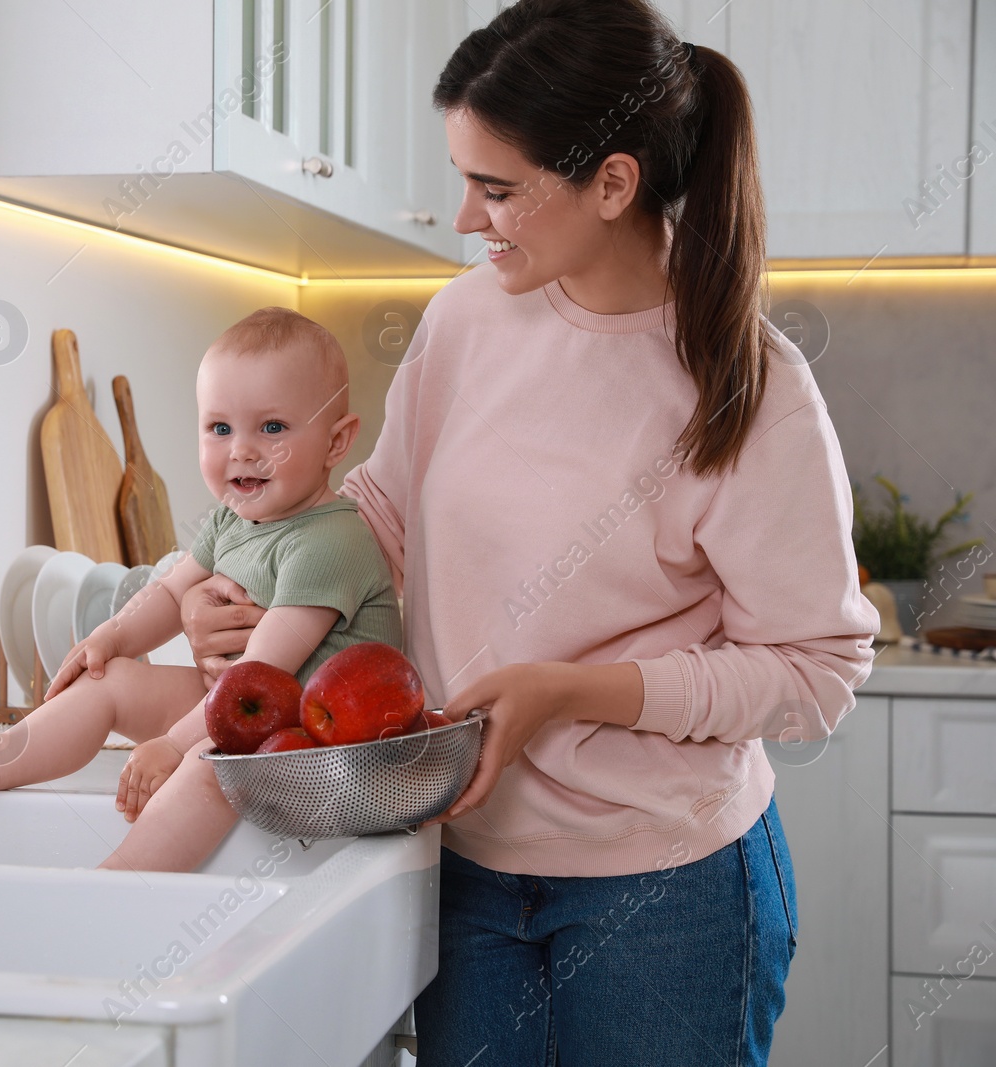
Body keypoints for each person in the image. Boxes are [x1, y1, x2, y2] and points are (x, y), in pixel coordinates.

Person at [178, 2, 879, 1062]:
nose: (465, 216)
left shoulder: (751, 386)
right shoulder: (467, 319)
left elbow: (815, 669)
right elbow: (379, 510)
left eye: (496, 188)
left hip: (670, 895)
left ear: (611, 183)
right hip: (460, 862)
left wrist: (568, 687)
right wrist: (237, 577)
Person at [0, 307, 403, 873]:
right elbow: (173, 593)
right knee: (115, 680)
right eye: (220, 428)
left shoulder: (331, 541)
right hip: (257, 719)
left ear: (336, 442)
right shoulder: (233, 518)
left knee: (208, 760)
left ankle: (120, 880)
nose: (240, 450)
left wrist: (173, 744)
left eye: (272, 428)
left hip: (326, 746)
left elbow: (261, 672)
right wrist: (113, 635)